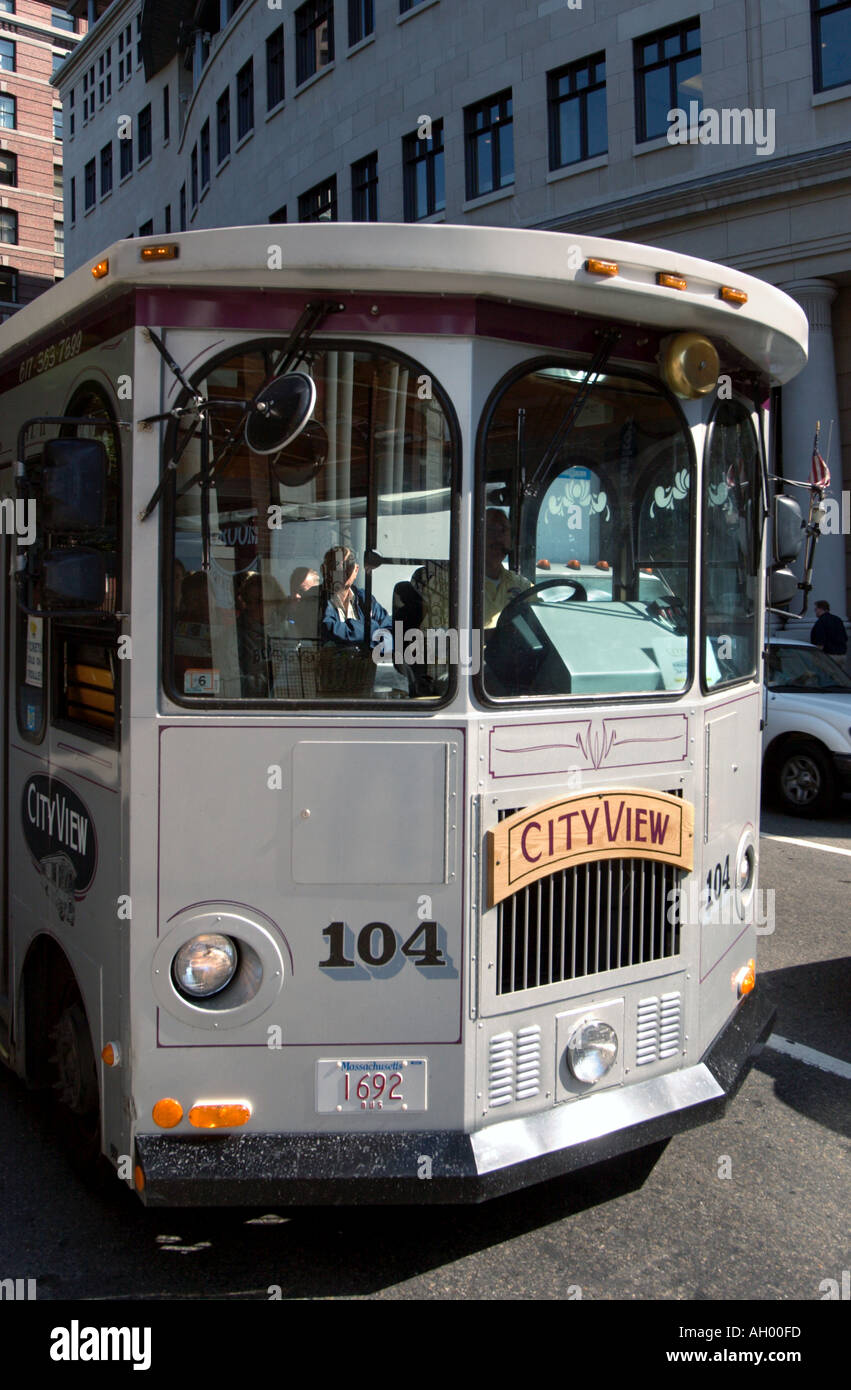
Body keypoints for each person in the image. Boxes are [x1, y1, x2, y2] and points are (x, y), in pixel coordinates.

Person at [320, 545, 393, 647]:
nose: (341, 570)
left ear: (356, 570)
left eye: (347, 565)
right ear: (326, 570)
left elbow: (390, 633)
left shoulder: (364, 598)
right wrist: (372, 626)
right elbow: (328, 629)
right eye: (335, 565)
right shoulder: (318, 597)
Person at [484, 508, 531, 628]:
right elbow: (445, 635)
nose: (498, 538)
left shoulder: (522, 585)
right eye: (491, 530)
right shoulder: (452, 586)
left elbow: (543, 622)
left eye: (503, 531)